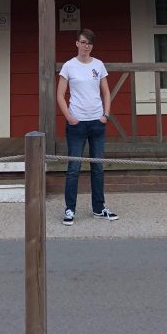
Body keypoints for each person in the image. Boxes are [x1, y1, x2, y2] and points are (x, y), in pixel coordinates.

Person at [57, 28, 119, 225]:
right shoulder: (69, 66)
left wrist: (106, 115)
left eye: (89, 43)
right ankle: (70, 209)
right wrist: (69, 117)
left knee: (98, 167)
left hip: (97, 123)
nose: (86, 46)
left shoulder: (99, 65)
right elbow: (60, 94)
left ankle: (99, 208)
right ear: (77, 43)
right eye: (83, 42)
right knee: (74, 167)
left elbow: (106, 92)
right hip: (77, 124)